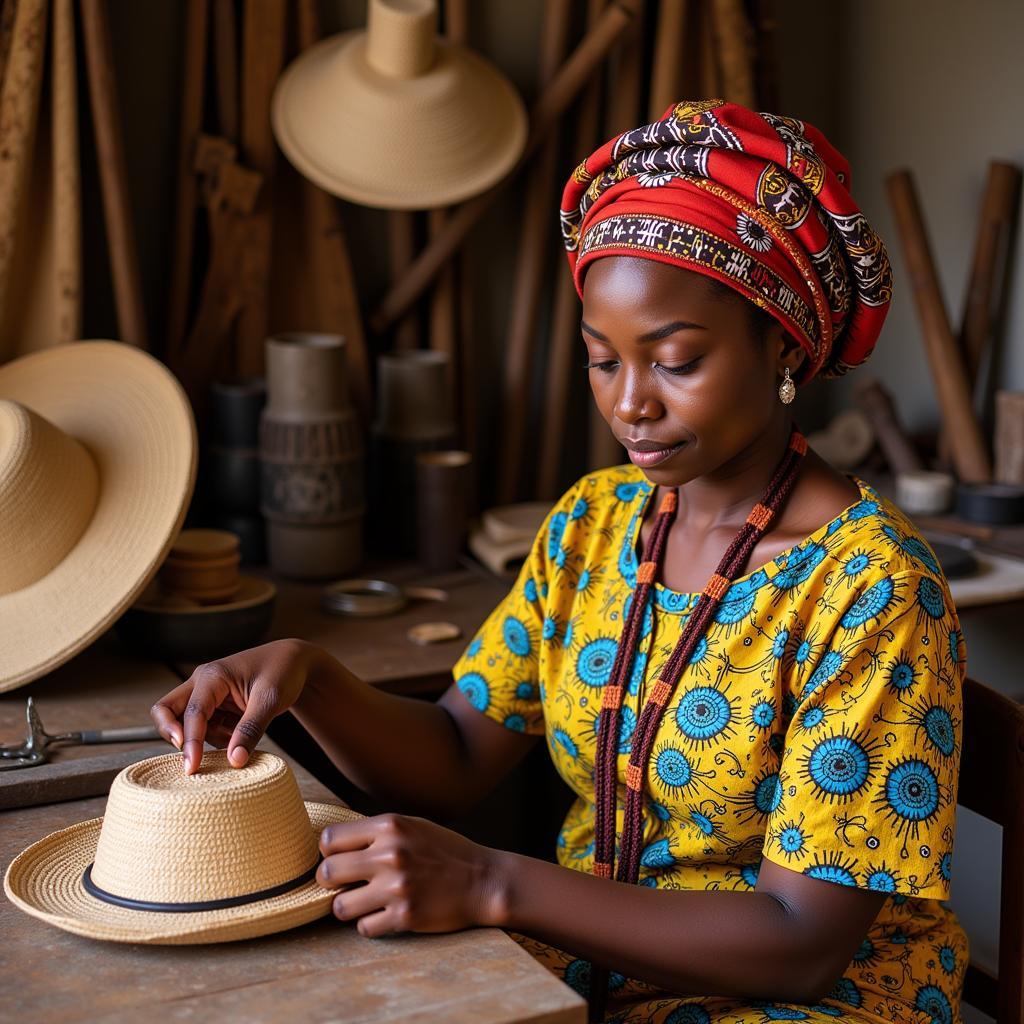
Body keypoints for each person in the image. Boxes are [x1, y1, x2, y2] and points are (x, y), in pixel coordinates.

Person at [152, 100, 968, 1024]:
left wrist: (496, 883)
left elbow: (800, 943)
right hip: (581, 973)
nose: (629, 405)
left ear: (783, 342)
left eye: (676, 360)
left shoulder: (871, 588)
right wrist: (309, 678)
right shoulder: (596, 523)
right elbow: (458, 754)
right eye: (600, 358)